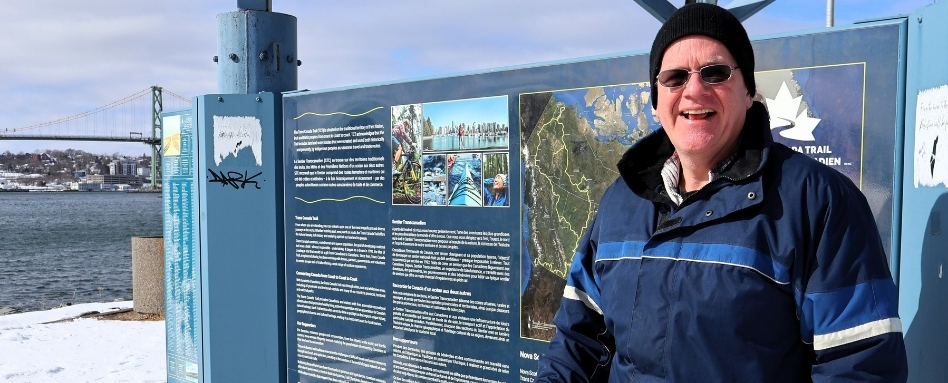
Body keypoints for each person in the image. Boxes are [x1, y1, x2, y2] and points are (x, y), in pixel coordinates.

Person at [534, 3, 907, 382]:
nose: (694, 90)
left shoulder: (818, 203)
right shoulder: (621, 201)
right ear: (657, 100)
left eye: (715, 73)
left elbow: (860, 367)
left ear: (748, 92)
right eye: (675, 78)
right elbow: (578, 342)